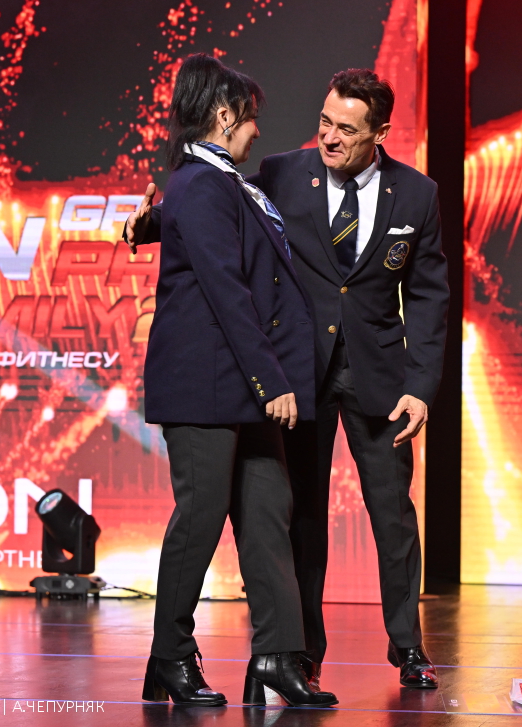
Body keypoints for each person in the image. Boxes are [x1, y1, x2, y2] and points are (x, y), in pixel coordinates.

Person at [129, 69, 450, 690]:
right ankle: (298, 653)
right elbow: (214, 205)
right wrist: (150, 223)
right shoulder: (280, 172)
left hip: (379, 378)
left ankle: (407, 646)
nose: (329, 137)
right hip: (296, 374)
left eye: (347, 129)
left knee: (393, 515)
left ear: (380, 133)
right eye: (325, 122)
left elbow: (429, 295)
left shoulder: (417, 193)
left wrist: (421, 384)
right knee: (295, 516)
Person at [140, 54, 336, 709]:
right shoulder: (200, 183)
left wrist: (148, 222)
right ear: (224, 116)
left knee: (267, 511)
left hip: (239, 388)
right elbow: (227, 291)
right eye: (251, 119)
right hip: (206, 385)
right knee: (199, 519)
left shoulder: (219, 183)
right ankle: (170, 656)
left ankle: (278, 654)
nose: (257, 131)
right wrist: (270, 380)